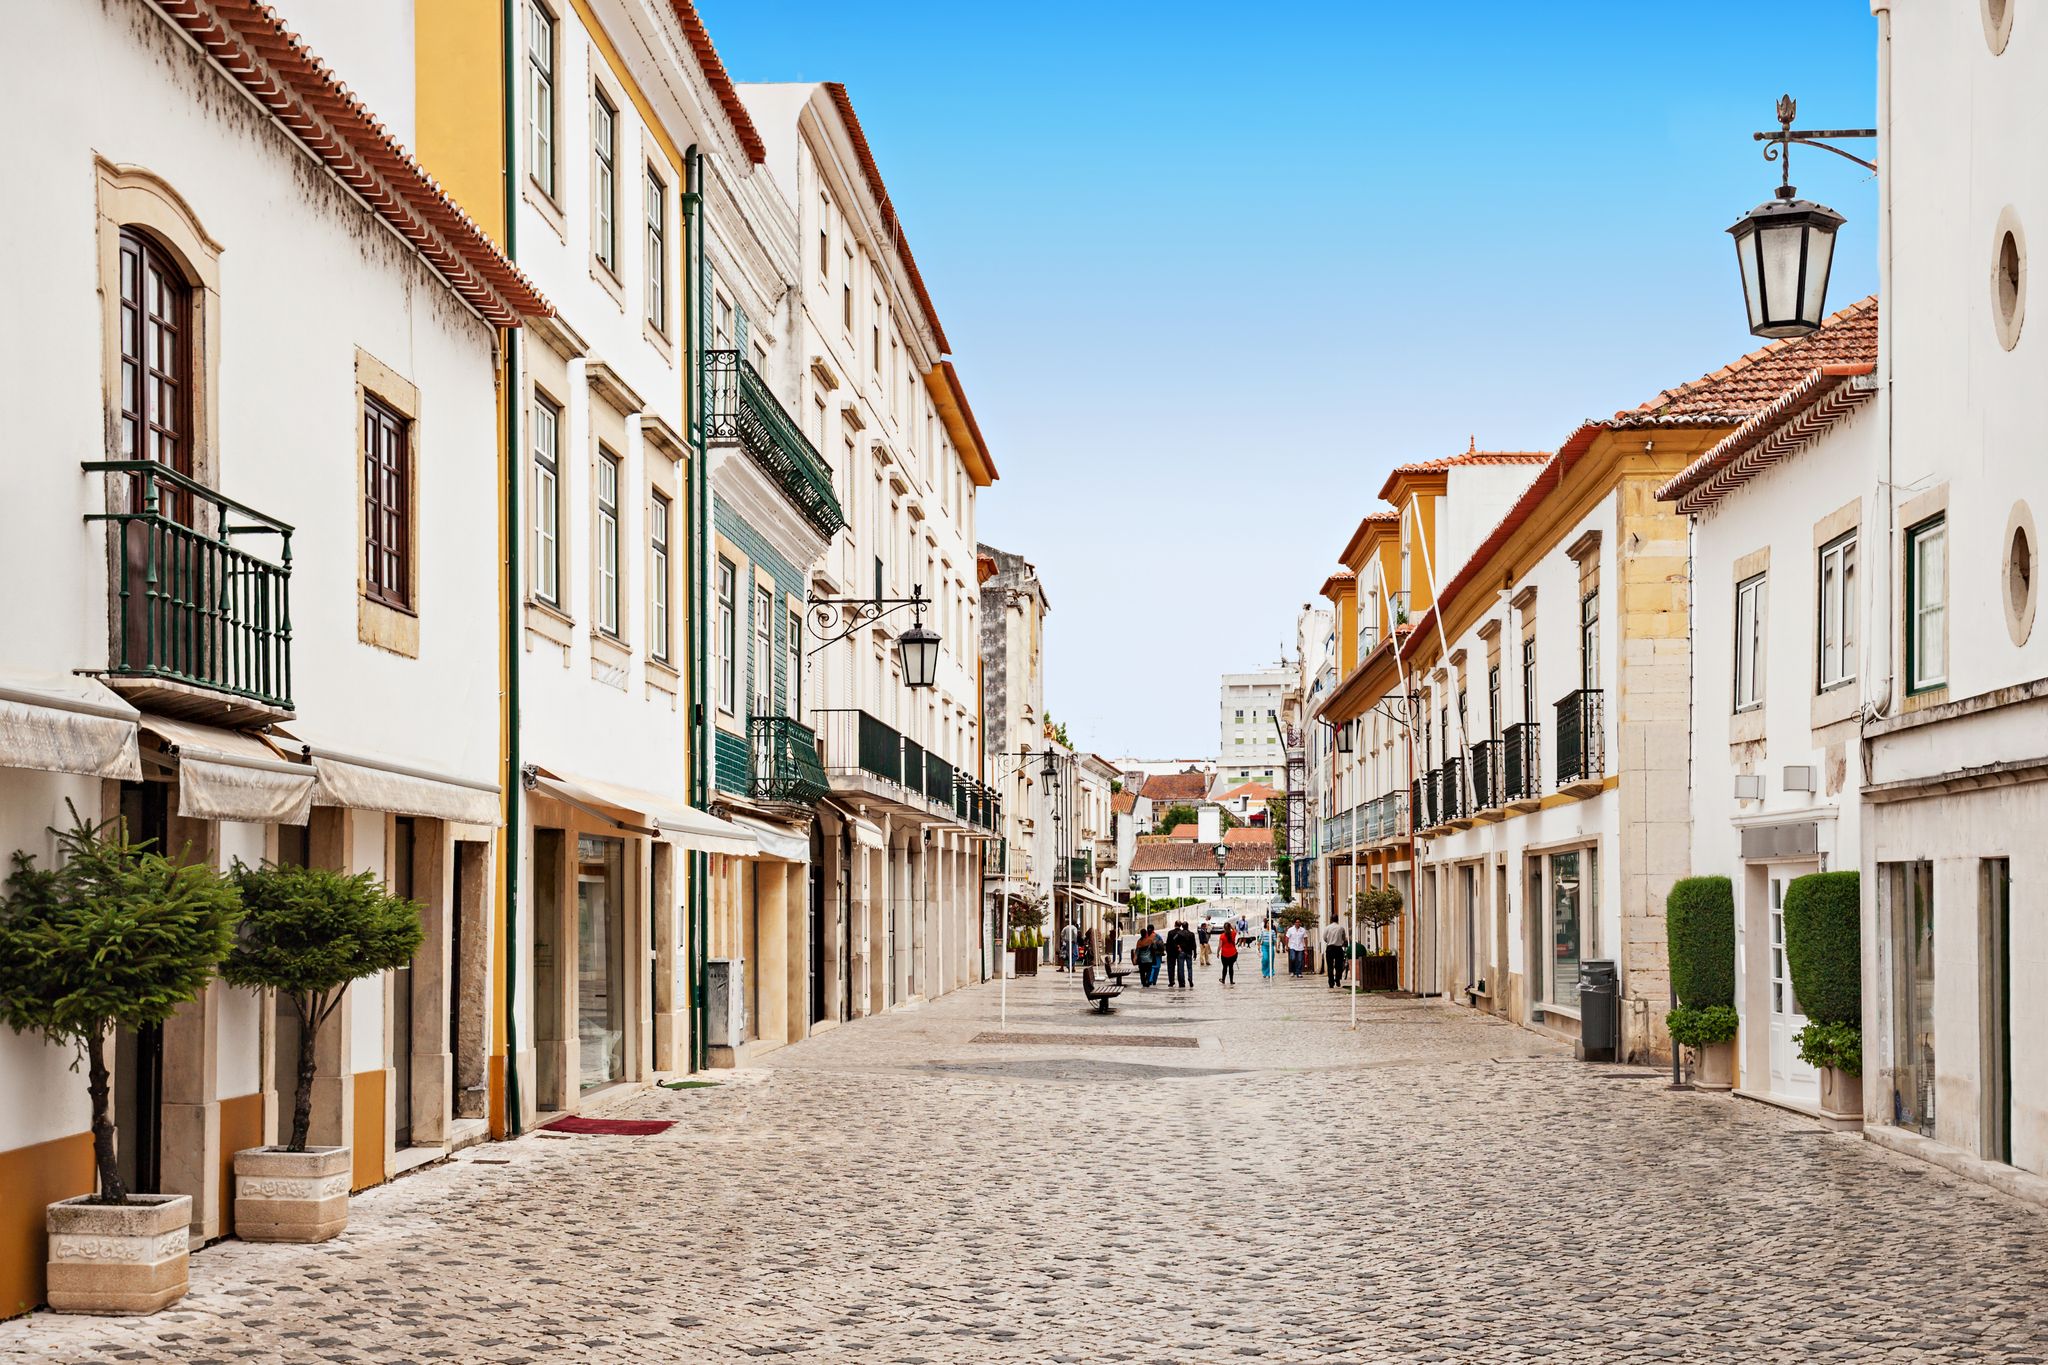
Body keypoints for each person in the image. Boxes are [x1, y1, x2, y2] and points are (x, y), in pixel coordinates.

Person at [1322, 914, 1351, 989]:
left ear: (1331, 919)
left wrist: (1330, 941)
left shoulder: (1327, 928)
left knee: (1330, 966)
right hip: (1338, 948)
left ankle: (1331, 983)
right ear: (1338, 919)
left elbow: (1324, 938)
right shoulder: (1341, 928)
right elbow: (1344, 938)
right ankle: (1337, 980)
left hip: (1330, 948)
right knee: (1339, 966)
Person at [1168, 920, 1197, 988]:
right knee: (1189, 967)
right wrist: (1195, 953)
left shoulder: (1179, 933)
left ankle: (1182, 982)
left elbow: (1173, 940)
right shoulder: (1191, 934)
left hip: (1181, 952)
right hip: (1189, 952)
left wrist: (1178, 946)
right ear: (1187, 926)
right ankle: (1190, 978)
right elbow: (1194, 944)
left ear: (1182, 926)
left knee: (1181, 968)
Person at [1217, 919, 1240, 986]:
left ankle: (1223, 980)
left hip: (1224, 954)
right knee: (1231, 967)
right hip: (1233, 953)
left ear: (1224, 928)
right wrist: (1231, 927)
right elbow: (1235, 931)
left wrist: (1218, 953)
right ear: (1229, 928)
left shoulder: (1222, 936)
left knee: (1224, 967)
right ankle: (1231, 981)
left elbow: (1220, 946)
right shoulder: (1233, 934)